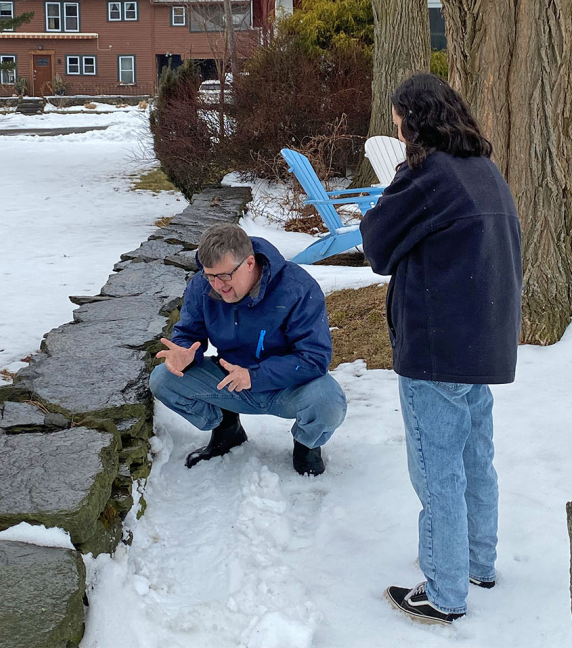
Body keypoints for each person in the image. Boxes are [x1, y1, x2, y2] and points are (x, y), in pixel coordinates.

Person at [360, 74, 522, 625]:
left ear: (414, 119)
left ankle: (445, 590)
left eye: (397, 117)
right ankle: (476, 561)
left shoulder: (427, 175)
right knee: (475, 458)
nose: (394, 128)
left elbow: (377, 245)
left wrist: (400, 177)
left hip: (437, 346)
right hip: (482, 341)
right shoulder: (483, 170)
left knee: (437, 469)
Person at [150, 223, 346, 476]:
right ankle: (226, 428)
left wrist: (254, 376)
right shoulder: (202, 285)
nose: (218, 285)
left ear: (250, 263)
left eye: (224, 276)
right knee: (163, 380)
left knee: (328, 403)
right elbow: (189, 333)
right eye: (210, 276)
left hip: (289, 387)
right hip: (230, 382)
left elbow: (314, 358)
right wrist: (184, 352)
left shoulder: (297, 287)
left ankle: (306, 445)